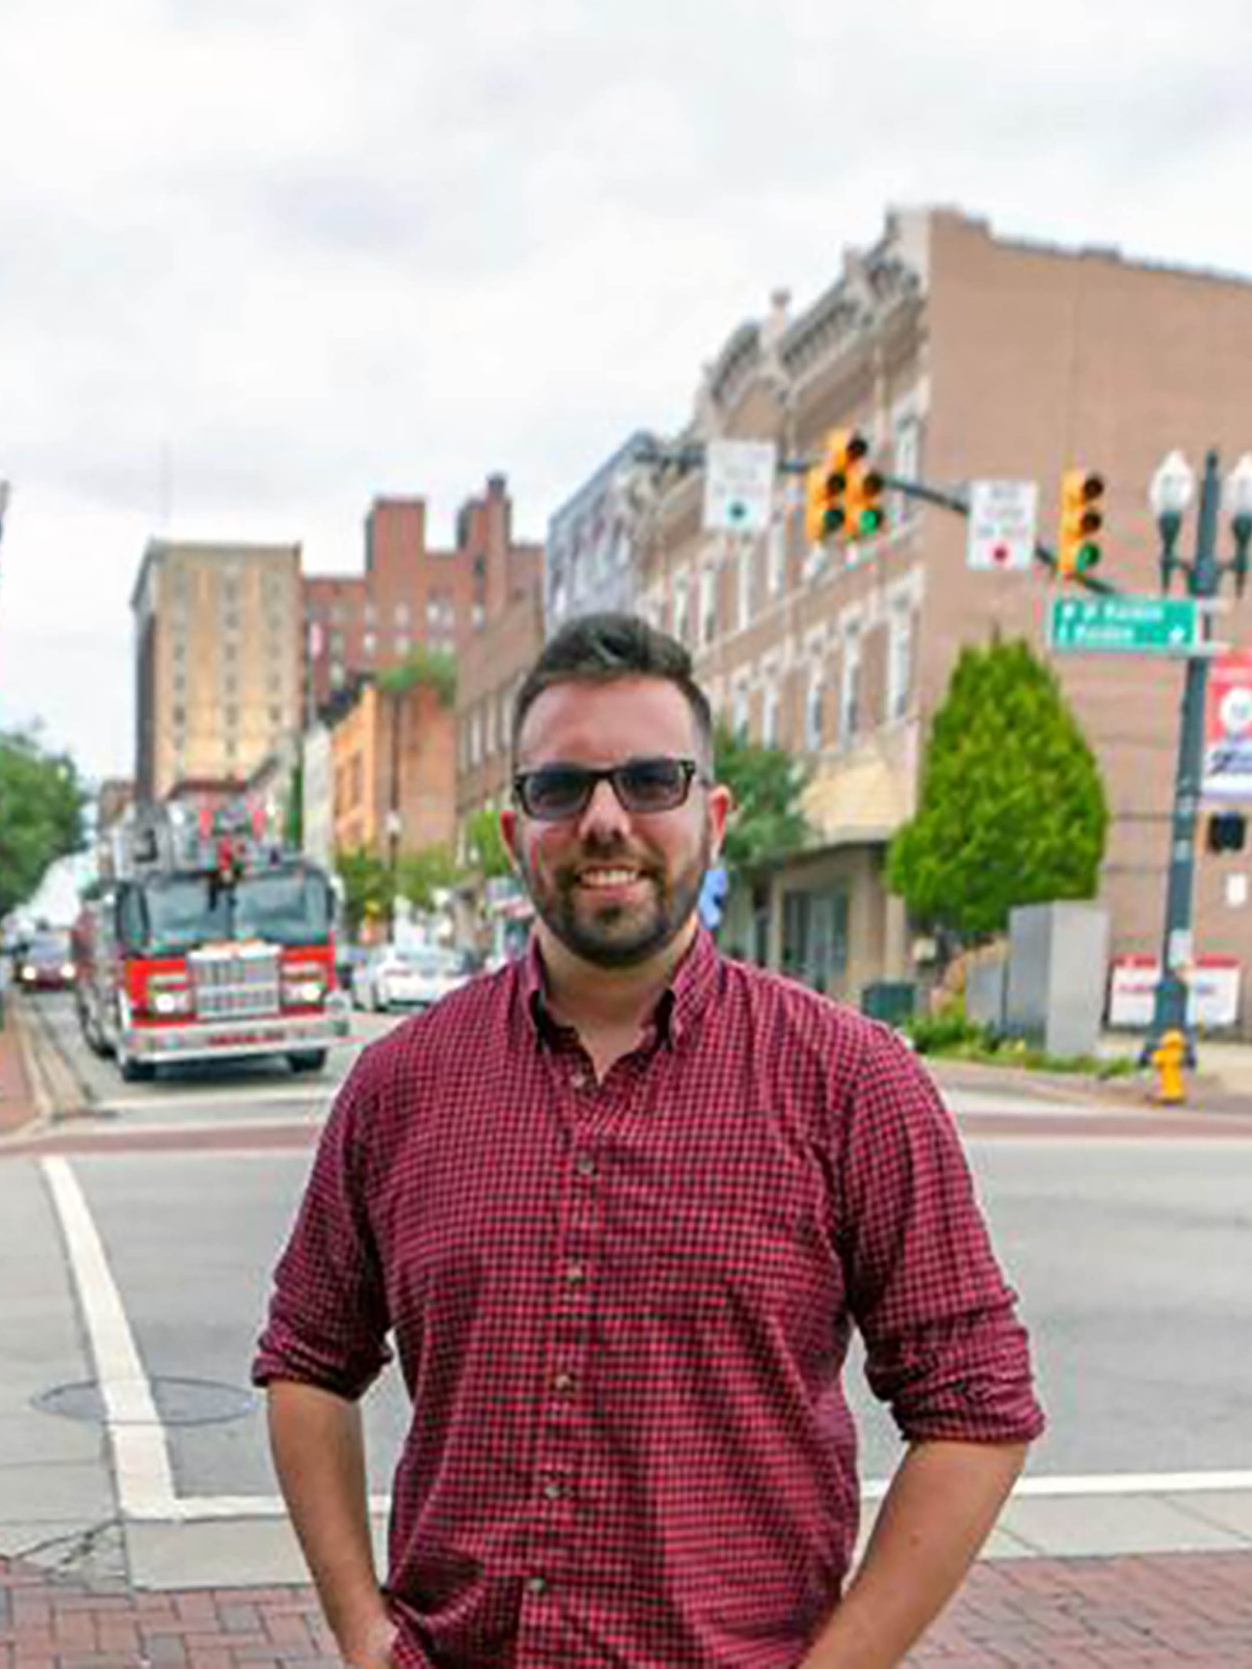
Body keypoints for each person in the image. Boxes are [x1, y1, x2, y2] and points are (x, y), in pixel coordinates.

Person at [254, 612, 1041, 1669]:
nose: (605, 820)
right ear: (512, 830)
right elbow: (307, 1363)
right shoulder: (401, 1087)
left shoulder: (852, 1084)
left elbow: (977, 1407)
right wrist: (363, 1632)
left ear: (711, 817)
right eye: (560, 788)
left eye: (651, 781)